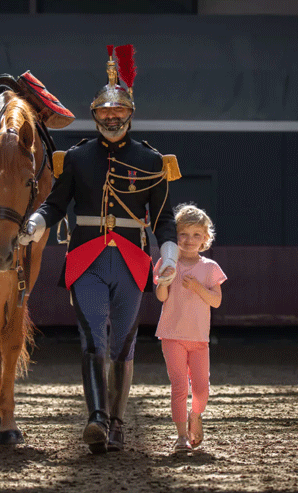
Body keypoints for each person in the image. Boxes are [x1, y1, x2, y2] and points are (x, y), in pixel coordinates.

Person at [19, 45, 181, 454]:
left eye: (118, 114)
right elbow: (56, 204)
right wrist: (37, 222)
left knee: (123, 343)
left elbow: (161, 219)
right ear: (95, 117)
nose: (111, 120)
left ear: (129, 114)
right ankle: (96, 419)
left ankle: (118, 423)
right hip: (86, 257)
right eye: (104, 115)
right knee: (92, 337)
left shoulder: (152, 161)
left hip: (131, 259)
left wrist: (170, 255)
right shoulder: (76, 158)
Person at [154, 203, 227, 452]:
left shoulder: (210, 268)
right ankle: (181, 436)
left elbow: (216, 301)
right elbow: (161, 296)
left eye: (196, 235)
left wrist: (197, 287)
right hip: (171, 335)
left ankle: (196, 415)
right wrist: (165, 280)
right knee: (178, 386)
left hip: (199, 339)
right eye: (183, 234)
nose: (189, 240)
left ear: (205, 238)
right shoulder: (167, 261)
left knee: (201, 388)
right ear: (175, 237)